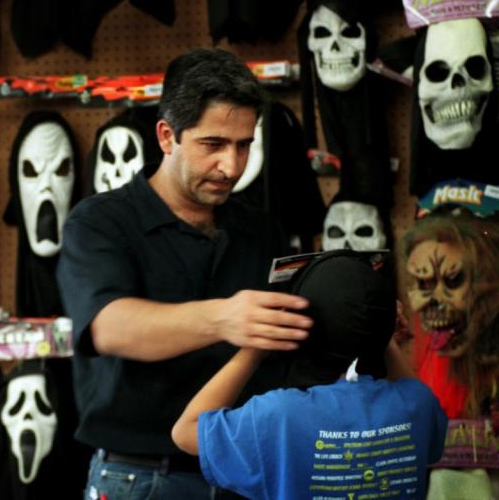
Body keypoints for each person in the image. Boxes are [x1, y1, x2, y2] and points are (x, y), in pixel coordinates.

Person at [57, 48, 314, 499]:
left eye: (244, 145)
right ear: (166, 136)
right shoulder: (99, 223)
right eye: (213, 145)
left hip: (247, 472)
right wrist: (224, 318)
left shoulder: (260, 227)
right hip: (140, 477)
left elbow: (284, 334)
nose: (231, 167)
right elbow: (109, 327)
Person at [172, 252, 448, 500]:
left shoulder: (279, 416)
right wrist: (384, 338)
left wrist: (254, 349)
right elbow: (419, 408)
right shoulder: (417, 404)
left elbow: (185, 432)